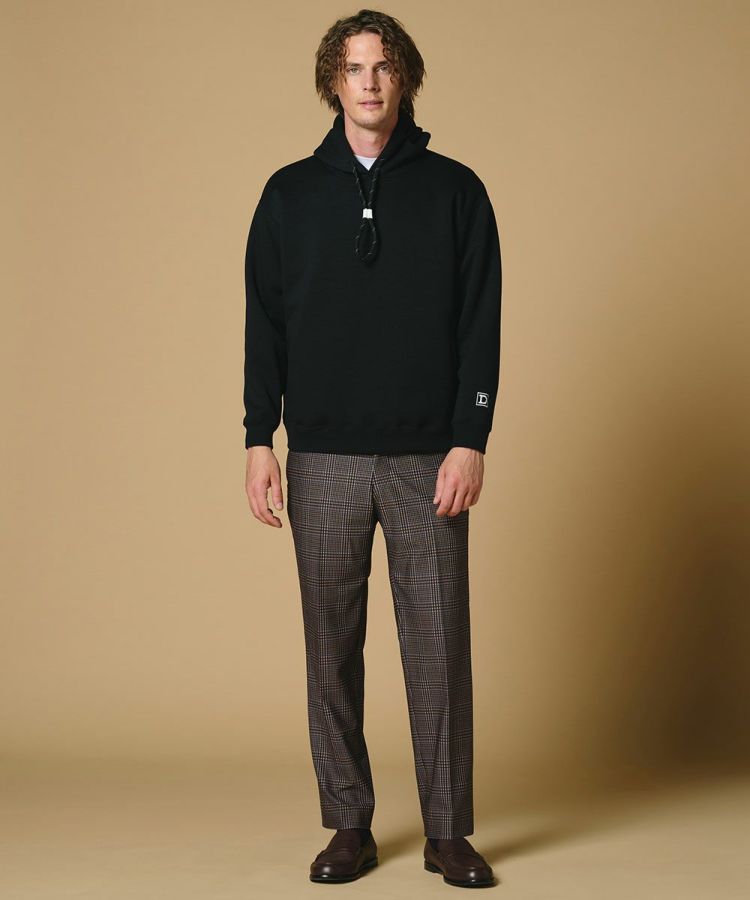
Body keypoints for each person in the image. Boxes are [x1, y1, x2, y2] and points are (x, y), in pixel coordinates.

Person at [243, 9, 502, 889]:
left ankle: (447, 832)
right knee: (330, 647)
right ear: (333, 80)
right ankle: (348, 823)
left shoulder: (456, 191)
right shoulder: (287, 194)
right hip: (321, 456)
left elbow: (480, 323)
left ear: (405, 79)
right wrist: (258, 437)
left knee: (439, 649)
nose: (369, 82)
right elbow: (265, 324)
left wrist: (469, 438)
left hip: (430, 458)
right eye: (354, 67)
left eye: (384, 66)